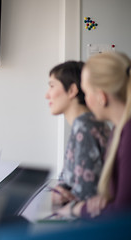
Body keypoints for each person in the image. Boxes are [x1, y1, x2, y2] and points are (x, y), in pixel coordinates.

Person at [57, 52, 131, 219]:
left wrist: (77, 209)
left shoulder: (128, 135)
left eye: (86, 92)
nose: (85, 99)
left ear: (101, 97)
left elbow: (123, 214)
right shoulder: (118, 131)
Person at [45, 61, 110, 205]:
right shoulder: (83, 124)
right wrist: (60, 191)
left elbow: (86, 196)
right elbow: (68, 181)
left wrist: (61, 196)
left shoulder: (85, 128)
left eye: (51, 86)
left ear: (72, 90)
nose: (46, 95)